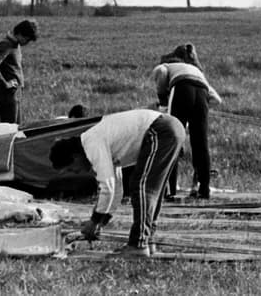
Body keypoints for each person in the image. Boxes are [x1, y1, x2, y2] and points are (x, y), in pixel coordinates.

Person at [49, 109, 185, 257]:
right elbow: (117, 190)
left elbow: (107, 187)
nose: (76, 172)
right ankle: (147, 240)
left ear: (75, 156)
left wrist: (94, 221)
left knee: (142, 187)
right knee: (152, 190)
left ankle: (138, 245)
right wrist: (102, 221)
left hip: (160, 129)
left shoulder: (92, 142)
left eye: (71, 169)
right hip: (169, 128)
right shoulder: (102, 143)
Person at [152, 43, 222, 200]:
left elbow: (161, 73)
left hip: (181, 88)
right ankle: (204, 189)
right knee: (200, 144)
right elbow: (217, 99)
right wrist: (199, 107)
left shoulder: (165, 65)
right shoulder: (196, 70)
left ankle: (170, 190)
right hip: (202, 94)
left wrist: (163, 103)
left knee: (173, 140)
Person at [0, 19, 38, 123]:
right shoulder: (7, 44)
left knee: (17, 130)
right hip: (8, 96)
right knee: (10, 131)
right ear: (19, 33)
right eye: (27, 39)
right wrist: (5, 84)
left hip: (15, 94)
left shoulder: (16, 45)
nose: (27, 43)